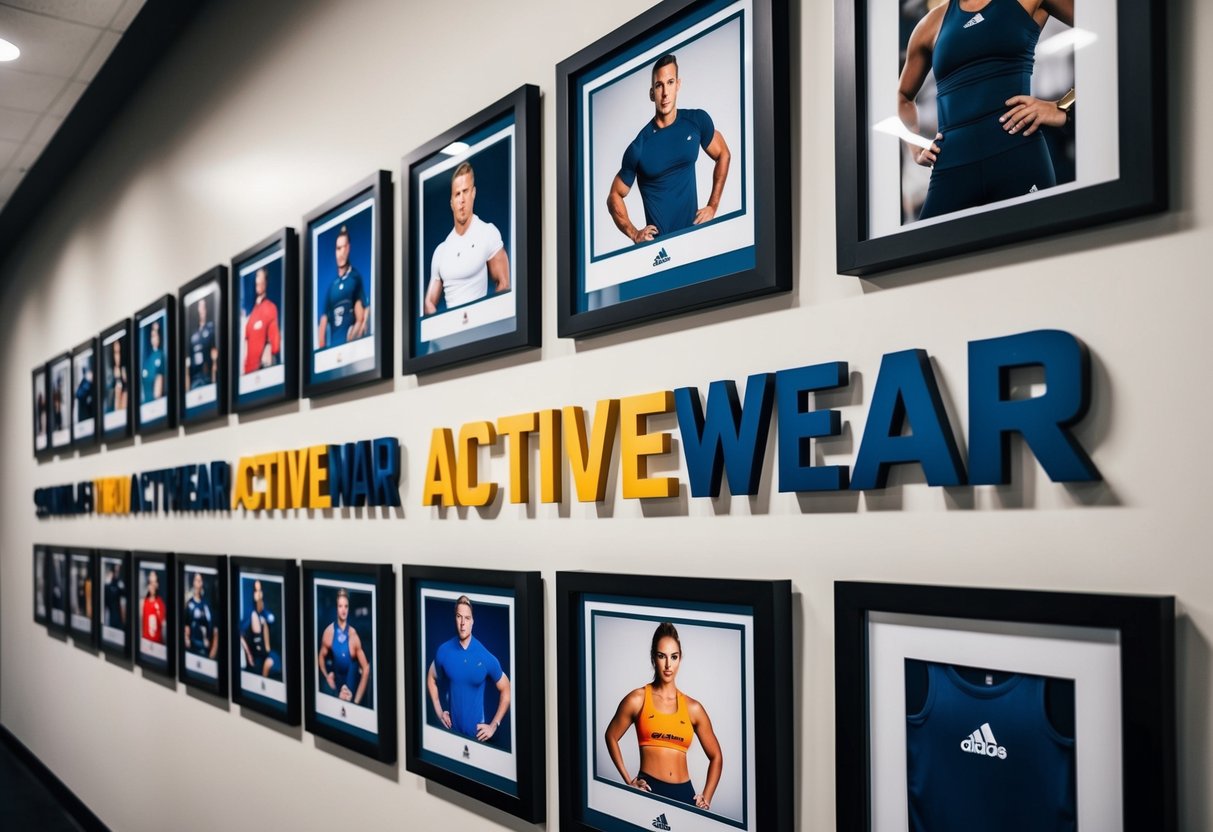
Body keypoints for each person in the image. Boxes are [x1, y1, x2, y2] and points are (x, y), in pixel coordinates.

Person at [898, 0, 1075, 219]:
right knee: (925, 250)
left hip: (1018, 157)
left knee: (1041, 247)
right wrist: (915, 146)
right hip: (952, 170)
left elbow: (1105, 31)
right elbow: (903, 97)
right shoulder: (930, 25)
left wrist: (1063, 107)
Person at [607, 53, 731, 244]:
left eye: (670, 82)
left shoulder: (696, 121)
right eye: (659, 85)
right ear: (651, 93)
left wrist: (712, 206)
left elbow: (723, 154)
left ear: (678, 85)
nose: (665, 92)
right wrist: (634, 233)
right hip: (660, 253)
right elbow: (614, 195)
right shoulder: (639, 146)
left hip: (694, 241)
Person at [604, 622, 723, 810]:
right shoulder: (638, 699)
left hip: (684, 795)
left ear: (680, 659)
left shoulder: (693, 708)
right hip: (649, 790)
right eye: (662, 656)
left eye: (674, 657)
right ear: (653, 658)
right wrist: (629, 781)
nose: (668, 664)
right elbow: (611, 736)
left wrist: (706, 797)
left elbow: (716, 756)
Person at [423, 162, 510, 315]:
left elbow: (504, 284)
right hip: (451, 335)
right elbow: (429, 303)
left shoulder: (487, 232)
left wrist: (487, 321)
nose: (461, 200)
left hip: (482, 330)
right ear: (451, 202)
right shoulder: (441, 251)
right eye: (457, 194)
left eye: (465, 191)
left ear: (473, 193)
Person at [426, 595, 511, 742]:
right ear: (455, 618)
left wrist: (493, 725)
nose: (463, 623)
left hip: (477, 739)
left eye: (467, 618)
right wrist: (440, 712)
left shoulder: (485, 656)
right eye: (459, 617)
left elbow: (506, 688)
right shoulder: (444, 651)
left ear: (472, 621)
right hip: (452, 735)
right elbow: (431, 677)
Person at [317, 226, 368, 348]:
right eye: (338, 248)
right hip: (334, 350)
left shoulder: (355, 278)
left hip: (350, 349)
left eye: (344, 247)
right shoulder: (332, 287)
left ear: (349, 248)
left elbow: (361, 317)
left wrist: (353, 340)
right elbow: (323, 323)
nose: (341, 252)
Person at [317, 588, 371, 704]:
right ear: (336, 608)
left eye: (346, 606)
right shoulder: (329, 632)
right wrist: (327, 676)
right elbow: (321, 657)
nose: (343, 610)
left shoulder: (353, 635)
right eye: (340, 606)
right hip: (335, 690)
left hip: (351, 689)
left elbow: (366, 668)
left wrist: (356, 700)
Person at [243, 267, 281, 373]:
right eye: (256, 276)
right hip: (248, 373)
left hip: (261, 371)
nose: (257, 280)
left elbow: (275, 345)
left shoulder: (270, 308)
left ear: (266, 281)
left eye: (260, 276)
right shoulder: (251, 315)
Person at [240, 579, 280, 678]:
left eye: (260, 590)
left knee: (271, 662)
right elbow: (240, 635)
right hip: (255, 657)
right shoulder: (250, 614)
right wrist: (248, 654)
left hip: (268, 653)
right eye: (256, 591)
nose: (258, 594)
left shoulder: (268, 615)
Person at [184, 572, 219, 661]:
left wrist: (213, 652)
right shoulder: (189, 604)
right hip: (193, 647)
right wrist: (187, 640)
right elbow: (186, 626)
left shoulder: (207, 604)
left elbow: (215, 630)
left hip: (206, 648)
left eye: (200, 581)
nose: (198, 583)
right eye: (196, 580)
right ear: (193, 583)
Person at [186, 297, 217, 390]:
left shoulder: (211, 328)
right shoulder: (193, 334)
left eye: (203, 307)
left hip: (206, 375)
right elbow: (187, 361)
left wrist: (213, 378)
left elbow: (214, 354)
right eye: (200, 307)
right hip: (195, 377)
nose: (202, 311)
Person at [141, 320, 165, 403]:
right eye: (153, 335)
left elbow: (159, 383)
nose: (156, 338)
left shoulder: (161, 355)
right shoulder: (147, 360)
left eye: (157, 334)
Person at [141, 569, 166, 645]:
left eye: (154, 583)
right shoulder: (143, 602)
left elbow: (163, 624)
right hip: (145, 643)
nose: (152, 586)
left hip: (157, 644)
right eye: (150, 583)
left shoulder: (160, 603)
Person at [103, 560, 126, 630]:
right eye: (116, 570)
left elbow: (124, 596)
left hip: (118, 615)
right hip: (110, 614)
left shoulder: (120, 584)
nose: (117, 572)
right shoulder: (108, 584)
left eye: (118, 570)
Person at [107, 338, 127, 413]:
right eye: (115, 353)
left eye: (119, 353)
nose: (117, 357)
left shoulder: (124, 371)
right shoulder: (110, 374)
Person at [74, 360, 94, 425]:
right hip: (85, 420)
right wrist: (88, 381)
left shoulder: (93, 384)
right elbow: (78, 394)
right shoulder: (85, 383)